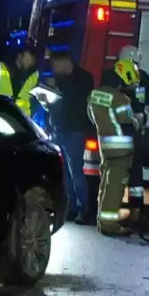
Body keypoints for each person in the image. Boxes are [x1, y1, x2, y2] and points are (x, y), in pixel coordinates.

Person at [87, 59, 141, 236]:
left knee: (104, 185)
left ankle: (101, 220)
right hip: (122, 149)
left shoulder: (94, 94)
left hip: (105, 148)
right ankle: (109, 225)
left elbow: (91, 118)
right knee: (115, 188)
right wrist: (138, 122)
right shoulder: (121, 99)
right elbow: (129, 125)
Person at [45, 52, 94, 223]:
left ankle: (84, 210)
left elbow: (76, 96)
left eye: (55, 65)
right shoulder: (60, 79)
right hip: (58, 130)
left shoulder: (83, 78)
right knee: (65, 172)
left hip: (74, 131)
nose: (54, 70)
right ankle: (71, 209)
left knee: (76, 173)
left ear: (65, 62)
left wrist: (58, 85)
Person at [120, 46, 149, 211]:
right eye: (133, 63)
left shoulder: (143, 77)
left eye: (137, 64)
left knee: (135, 168)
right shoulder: (115, 76)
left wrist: (143, 116)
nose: (136, 68)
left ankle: (136, 206)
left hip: (137, 132)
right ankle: (114, 202)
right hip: (120, 131)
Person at [0, 40, 40, 116]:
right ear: (19, 55)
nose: (32, 59)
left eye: (34, 56)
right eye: (30, 54)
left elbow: (36, 105)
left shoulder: (35, 76)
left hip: (21, 124)